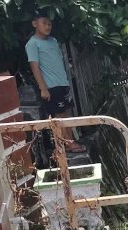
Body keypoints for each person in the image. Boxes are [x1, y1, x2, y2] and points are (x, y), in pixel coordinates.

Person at [25, 11, 84, 152]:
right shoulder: (32, 44)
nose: (47, 26)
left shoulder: (53, 41)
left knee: (67, 113)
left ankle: (69, 142)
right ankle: (67, 144)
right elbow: (35, 67)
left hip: (63, 83)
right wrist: (43, 88)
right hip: (51, 86)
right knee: (59, 115)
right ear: (34, 24)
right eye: (44, 23)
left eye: (49, 24)